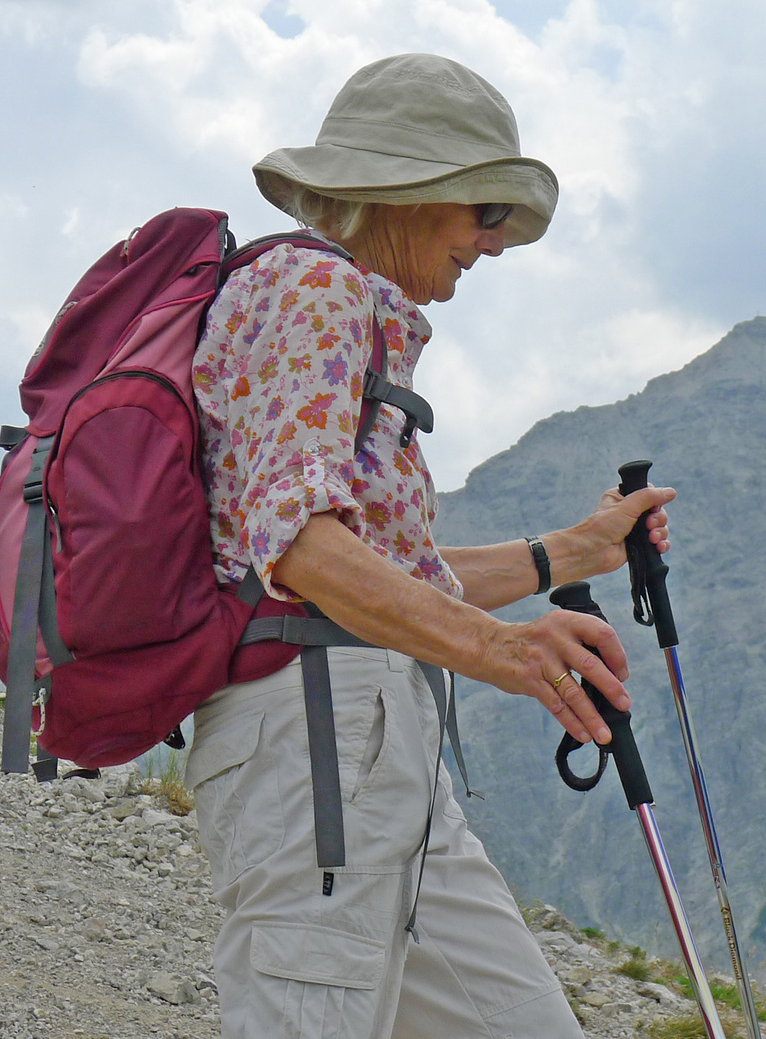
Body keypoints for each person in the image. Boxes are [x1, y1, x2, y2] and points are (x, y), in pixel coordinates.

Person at [186, 53, 672, 1039]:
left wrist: (574, 552)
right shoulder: (314, 293)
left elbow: (393, 582)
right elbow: (305, 556)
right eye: (483, 213)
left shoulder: (338, 309)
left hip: (366, 738)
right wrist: (507, 652)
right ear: (410, 192)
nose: (494, 244)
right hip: (318, 739)